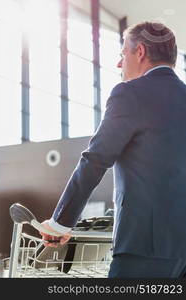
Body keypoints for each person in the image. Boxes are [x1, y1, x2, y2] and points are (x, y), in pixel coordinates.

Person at [40, 22, 186, 278]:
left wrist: (60, 222)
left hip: (143, 248)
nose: (120, 64)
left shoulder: (130, 94)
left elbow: (95, 160)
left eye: (122, 54)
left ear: (139, 52)